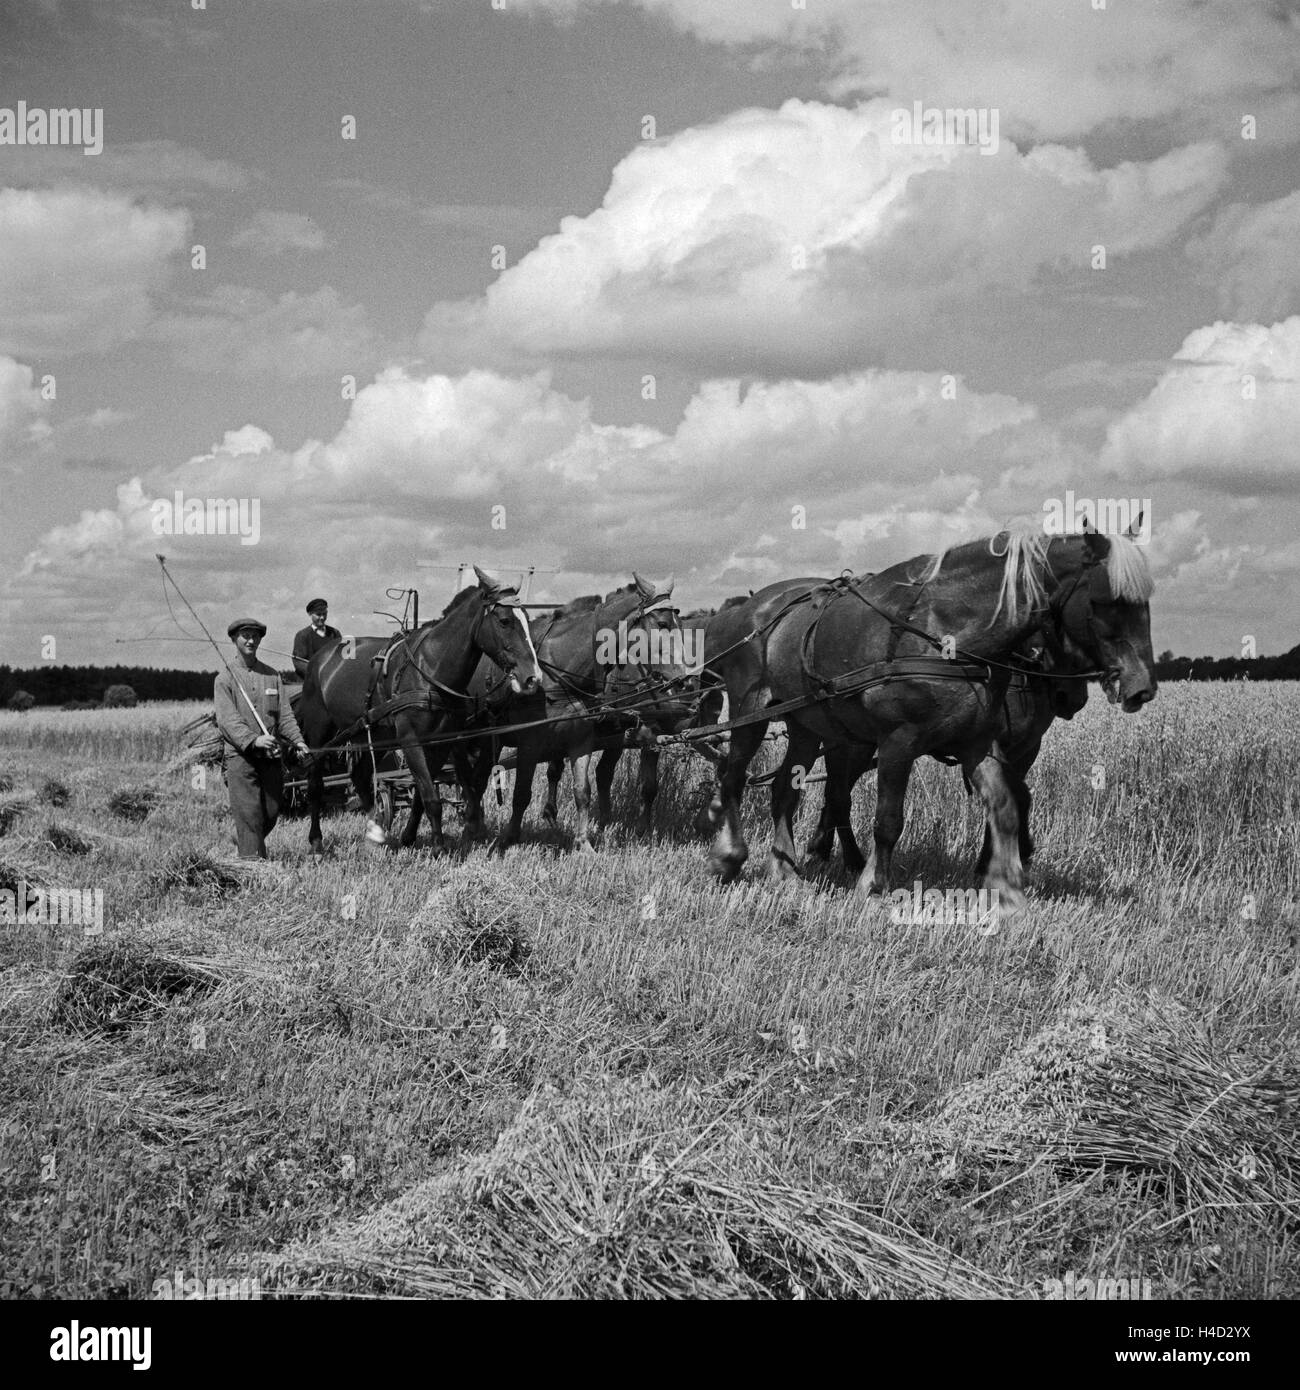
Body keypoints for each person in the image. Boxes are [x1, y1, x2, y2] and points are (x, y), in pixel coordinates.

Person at [214, 618, 310, 860]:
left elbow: (285, 716)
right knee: (250, 815)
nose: (251, 640)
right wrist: (254, 741)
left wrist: (298, 741)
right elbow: (227, 721)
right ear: (234, 640)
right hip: (241, 757)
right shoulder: (225, 679)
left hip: (271, 756)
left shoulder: (272, 676)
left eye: (255, 636)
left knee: (271, 811)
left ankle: (246, 841)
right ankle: (253, 867)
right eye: (245, 635)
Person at [292, 598, 341, 678]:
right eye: (318, 614)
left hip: (333, 681)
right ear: (310, 614)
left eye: (324, 614)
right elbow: (299, 663)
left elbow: (341, 657)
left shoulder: (335, 633)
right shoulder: (302, 635)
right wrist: (318, 675)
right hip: (311, 682)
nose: (322, 617)